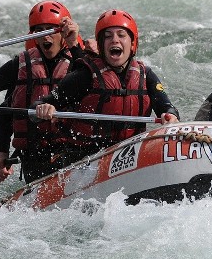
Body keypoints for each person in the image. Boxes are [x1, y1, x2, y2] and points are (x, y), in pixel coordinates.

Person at [0, 0, 84, 183]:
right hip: (35, 158)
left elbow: (98, 85)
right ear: (33, 36)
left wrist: (75, 44)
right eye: (40, 30)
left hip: (76, 152)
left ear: (63, 33)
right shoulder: (20, 65)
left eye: (51, 30)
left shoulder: (82, 62)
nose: (46, 37)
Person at [34, 9, 180, 157]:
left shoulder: (146, 75)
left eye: (121, 35)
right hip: (84, 158)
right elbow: (40, 105)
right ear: (101, 45)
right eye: (108, 36)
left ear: (132, 44)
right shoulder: (85, 76)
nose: (115, 40)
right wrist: (45, 108)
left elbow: (168, 108)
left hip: (129, 154)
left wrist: (170, 116)